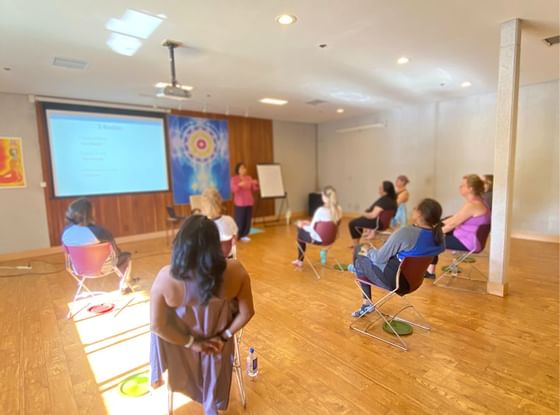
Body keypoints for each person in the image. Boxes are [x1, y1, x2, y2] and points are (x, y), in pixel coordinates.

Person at [150, 215, 255, 415]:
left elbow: (156, 326)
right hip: (219, 348)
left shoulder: (166, 277)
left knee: (160, 323)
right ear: (216, 245)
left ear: (180, 244)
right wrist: (223, 336)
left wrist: (192, 342)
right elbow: (247, 312)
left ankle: (159, 379)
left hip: (181, 351)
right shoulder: (235, 270)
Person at [349, 198, 445, 317]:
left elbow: (379, 258)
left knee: (359, 249)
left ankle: (366, 302)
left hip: (394, 281)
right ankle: (358, 269)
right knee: (372, 257)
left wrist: (368, 249)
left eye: (415, 208)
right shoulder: (438, 237)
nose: (413, 209)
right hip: (413, 282)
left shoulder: (407, 232)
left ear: (420, 213)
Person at [61, 197, 134, 294]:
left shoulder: (65, 232)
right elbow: (114, 253)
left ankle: (82, 288)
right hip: (102, 268)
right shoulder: (99, 231)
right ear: (89, 213)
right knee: (126, 257)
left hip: (77, 269)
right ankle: (124, 286)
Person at [425, 174, 491, 278]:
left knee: (430, 240)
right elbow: (454, 218)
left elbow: (453, 223)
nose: (460, 187)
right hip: (466, 238)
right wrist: (437, 226)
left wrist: (433, 233)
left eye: (462, 185)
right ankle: (429, 271)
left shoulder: (473, 205)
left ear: (471, 188)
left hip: (468, 242)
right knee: (434, 234)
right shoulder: (476, 202)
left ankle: (430, 272)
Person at [292, 185, 343, 267]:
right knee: (302, 229)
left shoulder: (320, 210)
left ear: (325, 197)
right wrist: (308, 223)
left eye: (322, 195)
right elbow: (328, 225)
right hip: (331, 239)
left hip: (318, 239)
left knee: (299, 233)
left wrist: (302, 225)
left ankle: (300, 260)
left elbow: (312, 228)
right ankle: (324, 251)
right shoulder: (339, 209)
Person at [348, 181, 398, 246]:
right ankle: (357, 243)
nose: (379, 189)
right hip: (384, 224)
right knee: (358, 221)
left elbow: (372, 215)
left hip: (378, 224)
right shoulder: (392, 200)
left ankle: (356, 245)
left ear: (385, 191)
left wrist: (362, 213)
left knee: (352, 223)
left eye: (380, 188)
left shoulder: (384, 201)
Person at [200, 187, 239, 257]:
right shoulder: (230, 220)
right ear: (220, 202)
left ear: (203, 206)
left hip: (211, 262)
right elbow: (234, 239)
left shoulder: (202, 225)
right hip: (228, 258)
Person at [230, 162, 259, 242]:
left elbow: (254, 189)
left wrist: (256, 184)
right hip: (240, 202)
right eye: (242, 168)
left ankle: (245, 235)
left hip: (249, 201)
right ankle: (237, 235)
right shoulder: (234, 179)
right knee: (240, 219)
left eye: (244, 168)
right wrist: (239, 185)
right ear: (238, 170)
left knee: (247, 219)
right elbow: (233, 189)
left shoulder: (249, 178)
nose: (243, 169)